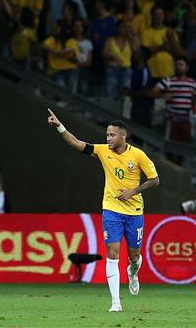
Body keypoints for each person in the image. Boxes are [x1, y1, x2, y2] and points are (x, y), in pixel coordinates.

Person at [46, 111, 159, 312]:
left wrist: (133, 191)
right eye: (107, 135)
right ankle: (116, 302)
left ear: (123, 136)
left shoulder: (138, 155)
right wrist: (59, 126)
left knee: (134, 256)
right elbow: (75, 143)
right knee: (112, 253)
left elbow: (155, 180)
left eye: (112, 135)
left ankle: (133, 272)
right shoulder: (102, 151)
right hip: (111, 210)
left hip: (134, 211)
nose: (108, 139)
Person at [153, 56, 196, 143]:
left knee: (184, 145)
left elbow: (193, 98)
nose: (178, 67)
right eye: (176, 65)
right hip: (171, 121)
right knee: (170, 144)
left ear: (187, 68)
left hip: (186, 120)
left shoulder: (192, 82)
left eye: (181, 65)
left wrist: (195, 107)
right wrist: (163, 95)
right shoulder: (168, 80)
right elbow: (152, 92)